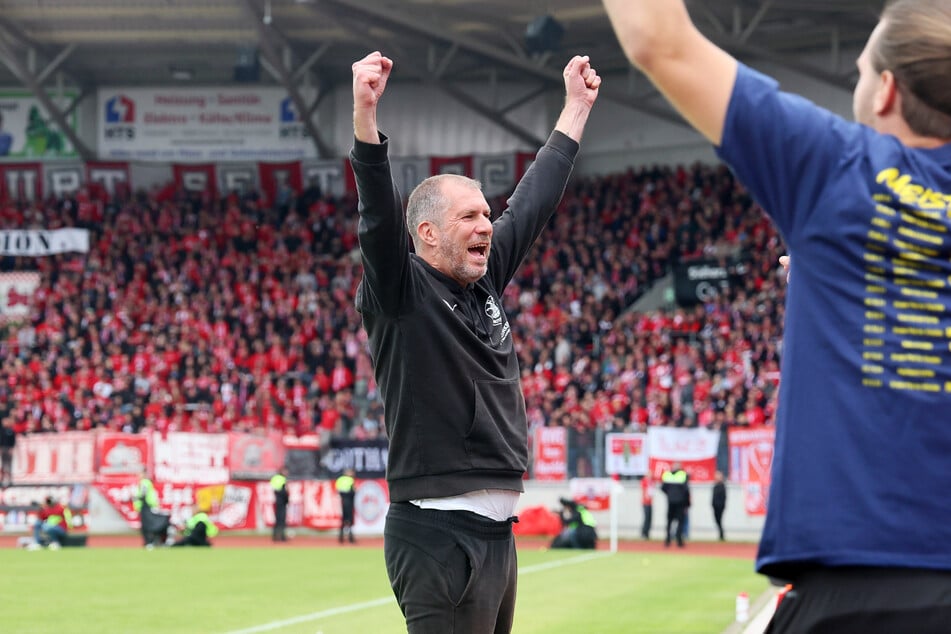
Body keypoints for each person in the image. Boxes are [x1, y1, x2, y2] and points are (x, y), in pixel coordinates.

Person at [602, 0, 951, 629]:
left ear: (887, 92)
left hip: (857, 593)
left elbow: (660, 39)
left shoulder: (839, 169)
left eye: (861, 72)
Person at [350, 50, 599, 633]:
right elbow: (378, 219)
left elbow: (534, 201)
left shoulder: (483, 283)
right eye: (469, 217)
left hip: (494, 537)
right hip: (439, 534)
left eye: (487, 213)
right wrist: (365, 116)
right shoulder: (401, 290)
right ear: (429, 234)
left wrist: (577, 107)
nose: (487, 225)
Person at [133, 467, 164, 549]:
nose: (138, 475)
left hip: (146, 506)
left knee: (147, 525)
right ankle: (149, 542)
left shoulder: (145, 482)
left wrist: (135, 498)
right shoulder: (144, 482)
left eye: (140, 473)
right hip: (146, 506)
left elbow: (143, 495)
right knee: (147, 525)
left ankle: (149, 542)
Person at [660, 462, 689, 548]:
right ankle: (679, 540)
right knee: (680, 521)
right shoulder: (683, 475)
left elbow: (663, 488)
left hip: (670, 502)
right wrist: (686, 502)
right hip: (680, 502)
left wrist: (670, 494)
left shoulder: (667, 475)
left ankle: (668, 540)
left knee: (669, 521)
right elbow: (686, 490)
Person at [334, 468, 356, 544]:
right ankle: (351, 538)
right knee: (349, 520)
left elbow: (338, 491)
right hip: (349, 503)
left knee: (343, 520)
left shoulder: (339, 480)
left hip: (342, 502)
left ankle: (341, 538)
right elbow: (352, 492)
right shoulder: (350, 480)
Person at [270, 467, 289, 542]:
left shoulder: (275, 478)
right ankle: (281, 537)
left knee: (278, 520)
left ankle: (276, 536)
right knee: (281, 520)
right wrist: (287, 499)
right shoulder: (282, 479)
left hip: (277, 501)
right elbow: (283, 491)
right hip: (281, 502)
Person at [711, 470, 726, 541]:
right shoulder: (716, 485)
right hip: (715, 506)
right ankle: (721, 534)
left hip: (719, 506)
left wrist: (721, 506)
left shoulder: (722, 486)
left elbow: (723, 498)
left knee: (719, 520)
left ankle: (721, 535)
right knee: (717, 520)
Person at [0, 417, 15, 486]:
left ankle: (9, 480)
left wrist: (12, 447)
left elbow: (13, 440)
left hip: (8, 448)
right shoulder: (1, 431)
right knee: (2, 465)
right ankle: (2, 479)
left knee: (8, 464)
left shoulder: (11, 430)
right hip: (3, 449)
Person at [640, 472, 653, 540]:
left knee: (649, 518)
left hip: (650, 502)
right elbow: (643, 490)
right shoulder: (644, 481)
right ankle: (644, 533)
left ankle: (647, 533)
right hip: (645, 502)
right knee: (646, 518)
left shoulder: (651, 481)